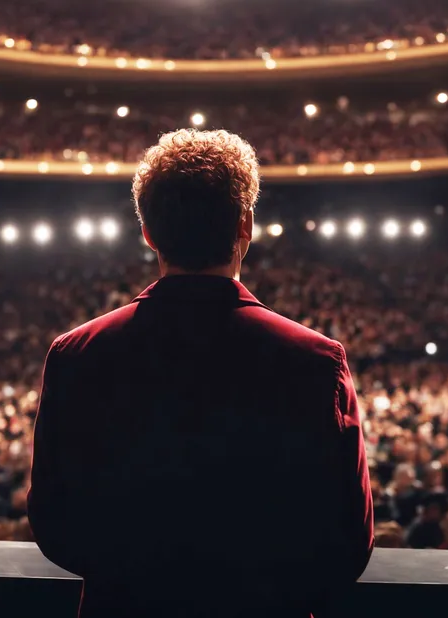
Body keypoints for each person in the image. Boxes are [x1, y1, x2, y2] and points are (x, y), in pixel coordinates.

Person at [28, 129, 374, 618]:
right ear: (245, 226)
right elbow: (347, 541)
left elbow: (55, 524)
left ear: (148, 232)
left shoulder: (77, 354)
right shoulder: (315, 361)